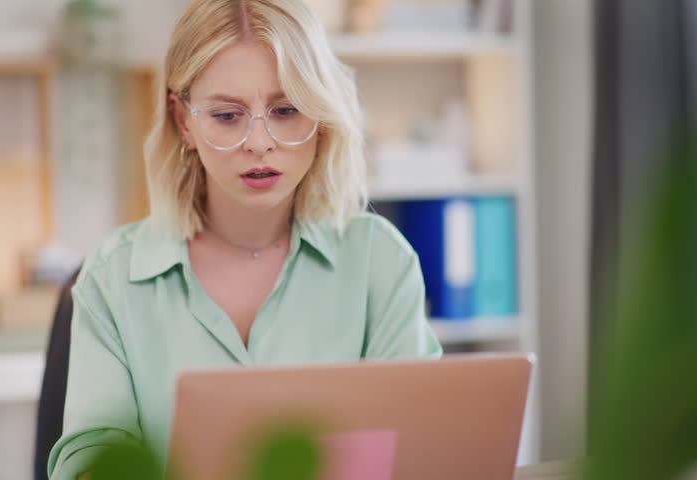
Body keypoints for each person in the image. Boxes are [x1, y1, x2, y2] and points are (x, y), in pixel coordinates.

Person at [48, 0, 442, 478]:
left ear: (320, 117)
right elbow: (91, 459)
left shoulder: (380, 262)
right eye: (228, 116)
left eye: (286, 110)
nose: (259, 142)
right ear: (183, 121)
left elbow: (421, 449)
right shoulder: (113, 278)